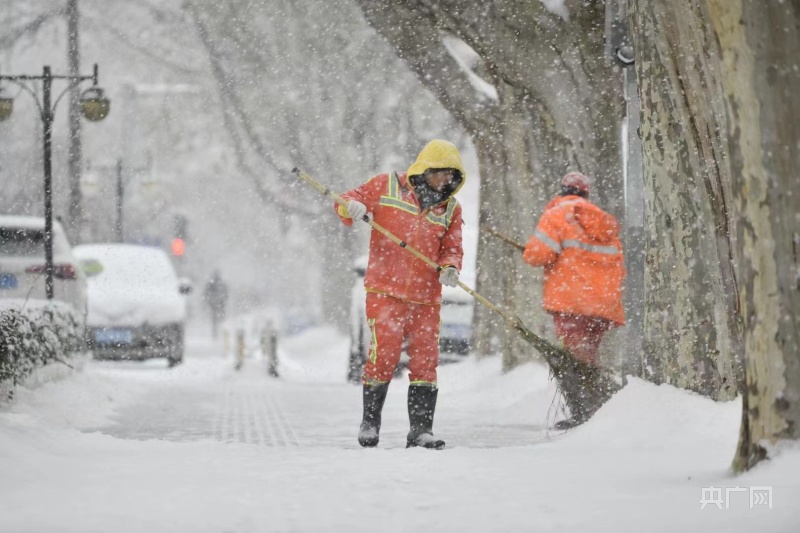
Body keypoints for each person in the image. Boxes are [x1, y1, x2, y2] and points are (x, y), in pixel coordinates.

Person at [336, 139, 466, 449]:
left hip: (426, 297)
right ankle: (370, 422)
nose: (445, 182)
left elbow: (452, 246)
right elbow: (345, 203)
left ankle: (420, 431)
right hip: (385, 290)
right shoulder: (386, 186)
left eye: (451, 176)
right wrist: (350, 207)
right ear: (425, 170)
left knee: (425, 361)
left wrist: (450, 266)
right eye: (440, 174)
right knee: (385, 353)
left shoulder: (450, 209)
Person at [522, 171, 626, 430]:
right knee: (588, 356)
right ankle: (596, 409)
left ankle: (583, 413)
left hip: (572, 302)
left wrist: (553, 257)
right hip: (602, 304)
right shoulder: (603, 221)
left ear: (562, 190)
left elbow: (536, 255)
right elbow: (618, 265)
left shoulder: (556, 214)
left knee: (573, 360)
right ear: (587, 194)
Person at [203, 269, 229, 339]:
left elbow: (206, 293)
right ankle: (218, 333)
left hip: (217, 303)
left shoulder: (213, 283)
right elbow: (226, 293)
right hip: (217, 303)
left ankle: (218, 333)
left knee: (217, 319)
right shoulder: (217, 283)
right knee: (218, 318)